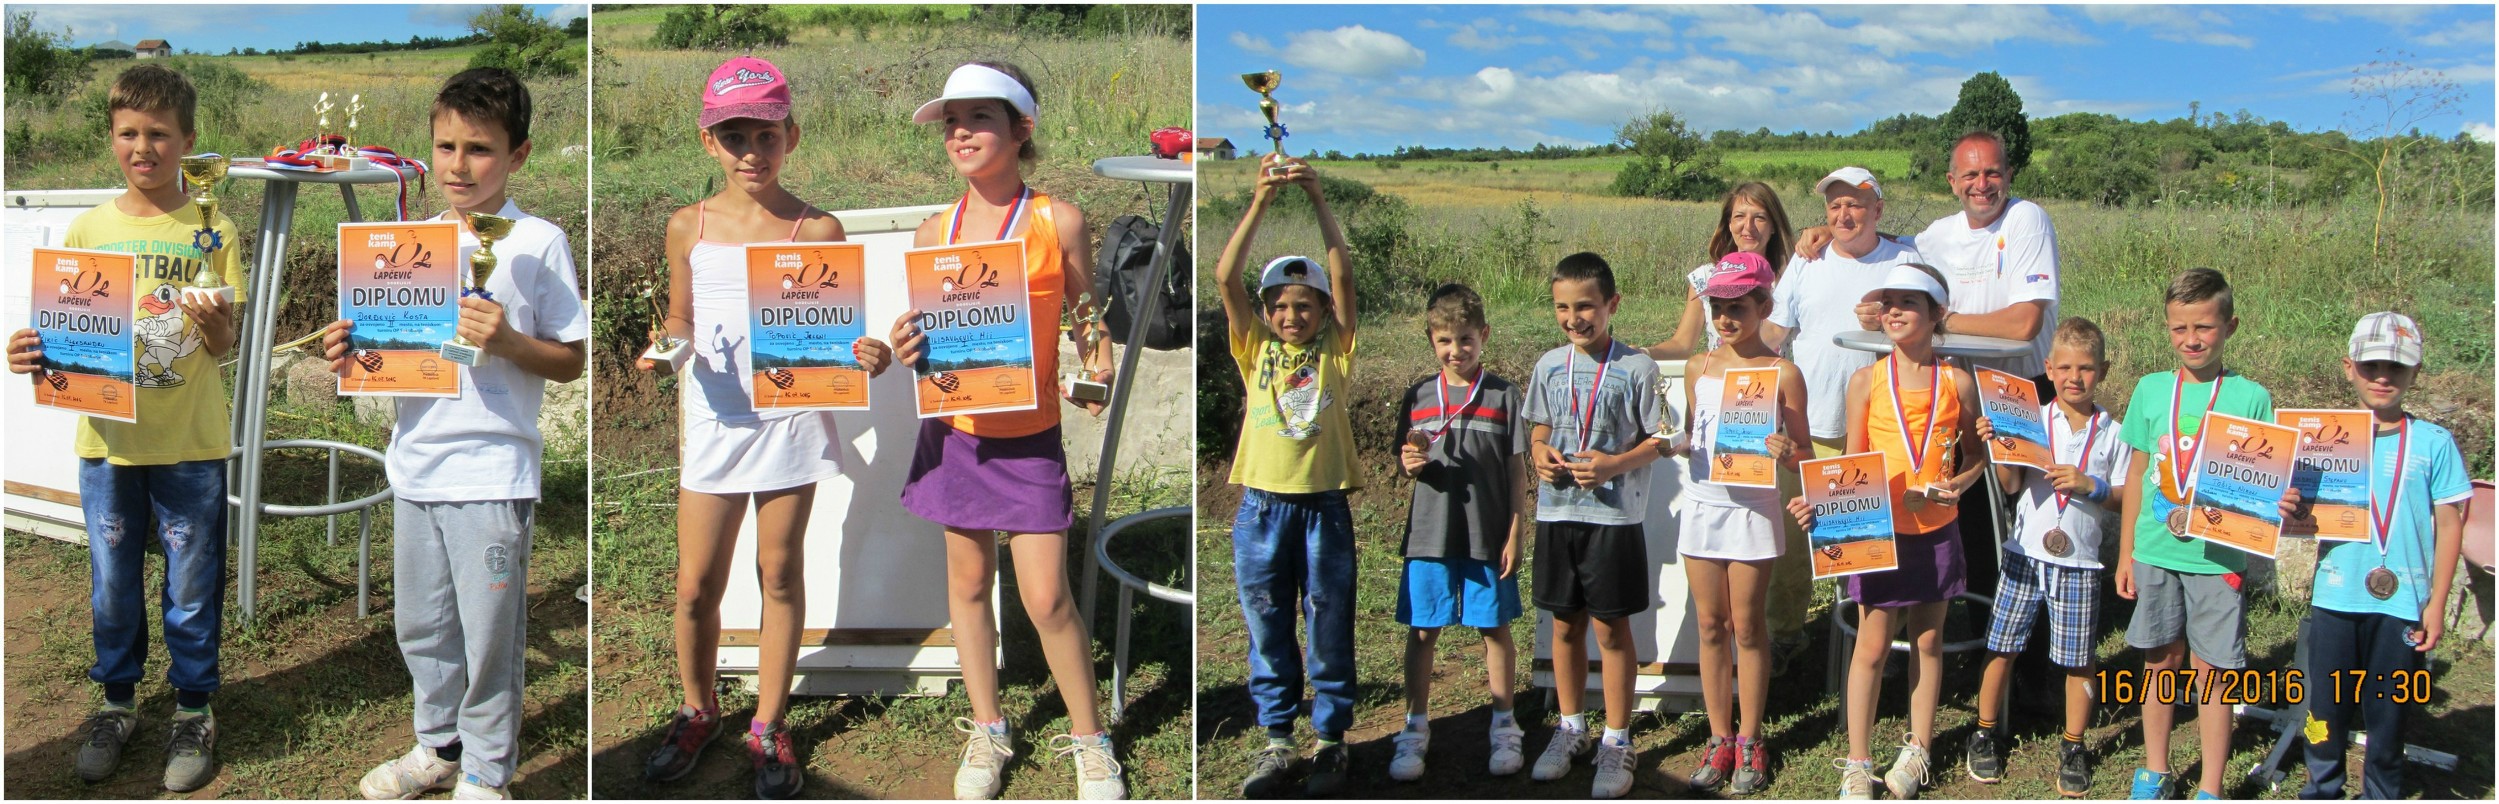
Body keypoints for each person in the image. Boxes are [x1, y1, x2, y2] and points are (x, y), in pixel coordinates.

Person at [625, 57, 892, 799]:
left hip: (791, 422)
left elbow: (837, 331)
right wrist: (667, 346)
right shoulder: (690, 225)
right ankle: (697, 707)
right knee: (694, 585)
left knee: (779, 572)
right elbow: (681, 318)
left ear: (791, 136)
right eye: (733, 134)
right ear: (708, 142)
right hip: (714, 423)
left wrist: (866, 354)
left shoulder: (820, 227)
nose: (751, 150)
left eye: (765, 134)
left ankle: (768, 723)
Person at [884, 61, 1122, 801]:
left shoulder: (1059, 220)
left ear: (1021, 129)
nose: (961, 132)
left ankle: (1090, 740)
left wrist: (1099, 367)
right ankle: (987, 727)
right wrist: (904, 345)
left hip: (1029, 436)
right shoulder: (933, 229)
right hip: (955, 431)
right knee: (967, 584)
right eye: (951, 121)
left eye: (980, 117)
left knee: (1046, 597)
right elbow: (920, 332)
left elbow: (1089, 320)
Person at [5, 62, 241, 794]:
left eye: (160, 134)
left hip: (190, 444)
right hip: (107, 446)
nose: (145, 148)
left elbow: (224, 346)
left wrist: (218, 323)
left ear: (189, 141)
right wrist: (31, 350)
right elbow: (64, 330)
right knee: (112, 587)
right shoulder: (88, 228)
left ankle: (194, 708)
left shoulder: (213, 226)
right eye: (129, 133)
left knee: (192, 587)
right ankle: (116, 702)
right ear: (112, 138)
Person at [1790, 263, 1984, 801]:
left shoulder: (1957, 381)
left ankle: (1918, 748)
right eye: (1888, 302)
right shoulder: (1865, 380)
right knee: (1871, 646)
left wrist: (1961, 485)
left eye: (1909, 302)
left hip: (1938, 528)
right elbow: (1851, 461)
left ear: (1936, 314)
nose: (1895, 311)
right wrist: (1821, 508)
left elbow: (1976, 455)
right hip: (1876, 531)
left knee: (1927, 640)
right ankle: (1857, 760)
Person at [2113, 268, 2295, 800]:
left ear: (2230, 326)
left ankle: (2211, 785)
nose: (2191, 340)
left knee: (2213, 674)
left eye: (2205, 327)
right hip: (2154, 549)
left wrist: (2279, 499)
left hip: (2218, 559)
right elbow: (2134, 475)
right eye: (2179, 329)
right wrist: (2126, 552)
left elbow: (2268, 480)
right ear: (2167, 329)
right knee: (2159, 660)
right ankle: (2155, 769)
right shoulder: (2150, 390)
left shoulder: (2250, 397)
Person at [1212, 152, 1360, 798]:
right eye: (1281, 306)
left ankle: (1330, 744)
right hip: (1262, 511)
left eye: (1305, 306)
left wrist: (1318, 197)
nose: (1292, 316)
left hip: (1323, 509)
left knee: (1329, 622)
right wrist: (1261, 201)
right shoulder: (1255, 350)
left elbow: (1343, 272)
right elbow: (1225, 278)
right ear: (1267, 313)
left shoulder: (1336, 349)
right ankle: (1278, 742)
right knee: (1268, 624)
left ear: (1324, 314)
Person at [2299, 312, 2469, 801]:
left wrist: (2435, 603)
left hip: (2401, 604)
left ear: (2415, 373)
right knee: (2322, 710)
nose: (2382, 377)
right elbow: (2298, 513)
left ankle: (2382, 790)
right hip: (2335, 596)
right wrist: (2292, 508)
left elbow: (2450, 526)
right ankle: (2321, 784)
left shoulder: (2434, 444)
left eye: (2396, 368)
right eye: (2371, 365)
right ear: (2348, 367)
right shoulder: (2324, 439)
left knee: (2389, 712)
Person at [1760, 167, 1923, 675]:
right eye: (1834, 207)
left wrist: (1889, 315)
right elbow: (1772, 331)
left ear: (1878, 210)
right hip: (1804, 430)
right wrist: (1730, 365)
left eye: (1855, 204)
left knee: (1862, 549)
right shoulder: (1806, 261)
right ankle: (1786, 642)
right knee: (1790, 550)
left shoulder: (1905, 259)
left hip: (1875, 432)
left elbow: (1930, 324)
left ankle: (1866, 652)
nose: (1843, 215)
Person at [1964, 318, 2129, 796]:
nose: (2075, 378)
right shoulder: (2030, 418)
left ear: (2104, 371)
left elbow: (2123, 496)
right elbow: (2014, 486)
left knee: (2078, 660)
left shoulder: (2114, 432)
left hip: (2079, 562)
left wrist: (2090, 485)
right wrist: (1998, 446)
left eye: (2086, 368)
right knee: (2002, 646)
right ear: (2048, 369)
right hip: (2024, 555)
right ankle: (1984, 730)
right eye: (2065, 368)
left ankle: (2074, 744)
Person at [1666, 253, 1811, 795]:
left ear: (1763, 306)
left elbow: (1804, 455)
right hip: (1702, 504)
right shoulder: (1698, 367)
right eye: (1718, 307)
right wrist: (1676, 444)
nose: (1726, 318)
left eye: (1738, 308)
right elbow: (1693, 433)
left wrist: (1785, 449)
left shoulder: (1783, 372)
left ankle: (1751, 738)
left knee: (1748, 627)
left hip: (1752, 509)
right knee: (1711, 626)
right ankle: (1718, 735)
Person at [1524, 252, 1664, 800]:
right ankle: (1570, 728)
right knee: (1564, 625)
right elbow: (1538, 429)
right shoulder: (1547, 364)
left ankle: (1616, 737)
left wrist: (1611, 465)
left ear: (1612, 305)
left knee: (1610, 629)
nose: (1574, 317)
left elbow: (1660, 440)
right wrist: (1539, 454)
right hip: (1557, 515)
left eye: (1585, 305)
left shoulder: (1637, 367)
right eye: (1562, 306)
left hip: (1613, 518)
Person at [1386, 283, 1531, 783]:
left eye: (1466, 339)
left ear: (1483, 335)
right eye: (1445, 341)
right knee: (1423, 630)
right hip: (1430, 535)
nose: (1456, 350)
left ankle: (1504, 724)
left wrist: (1516, 530)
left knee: (1494, 628)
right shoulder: (1419, 396)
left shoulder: (1504, 395)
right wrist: (1409, 464)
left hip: (1487, 537)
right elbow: (1407, 462)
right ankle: (1414, 727)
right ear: (1432, 340)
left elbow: (1516, 474)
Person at [1646, 181, 1795, 362]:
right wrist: (1643, 353)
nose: (1748, 226)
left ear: (1773, 226)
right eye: (1739, 216)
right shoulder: (1705, 278)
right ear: (1729, 223)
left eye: (1760, 218)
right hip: (1720, 383)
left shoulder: (1790, 278)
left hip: (1773, 384)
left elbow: (1775, 333)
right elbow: (1682, 345)